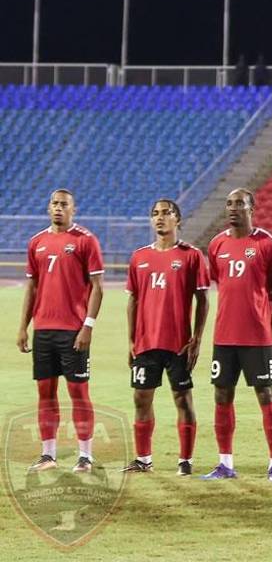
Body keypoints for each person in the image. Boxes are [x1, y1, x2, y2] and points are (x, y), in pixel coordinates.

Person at [18, 189, 105, 474]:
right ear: (48, 208)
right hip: (43, 330)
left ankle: (85, 456)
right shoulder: (37, 242)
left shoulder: (85, 240)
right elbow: (31, 288)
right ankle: (48, 455)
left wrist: (88, 325)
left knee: (78, 392)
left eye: (64, 204)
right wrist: (23, 327)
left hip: (73, 331)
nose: (58, 208)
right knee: (45, 393)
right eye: (54, 203)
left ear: (73, 210)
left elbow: (97, 287)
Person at [202, 189, 272, 481]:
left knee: (265, 394)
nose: (233, 208)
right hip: (224, 335)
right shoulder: (216, 244)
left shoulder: (265, 244)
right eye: (229, 203)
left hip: (257, 337)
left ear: (253, 208)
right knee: (222, 395)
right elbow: (219, 281)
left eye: (239, 203)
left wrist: (260, 314)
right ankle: (225, 463)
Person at [121, 199, 209, 475]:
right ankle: (143, 459)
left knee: (183, 399)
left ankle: (185, 460)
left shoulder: (191, 256)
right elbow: (133, 300)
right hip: (146, 343)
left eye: (166, 213)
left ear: (178, 220)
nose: (160, 218)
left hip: (178, 343)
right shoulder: (139, 257)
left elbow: (203, 299)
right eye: (155, 214)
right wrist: (131, 340)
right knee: (140, 399)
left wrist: (196, 337)